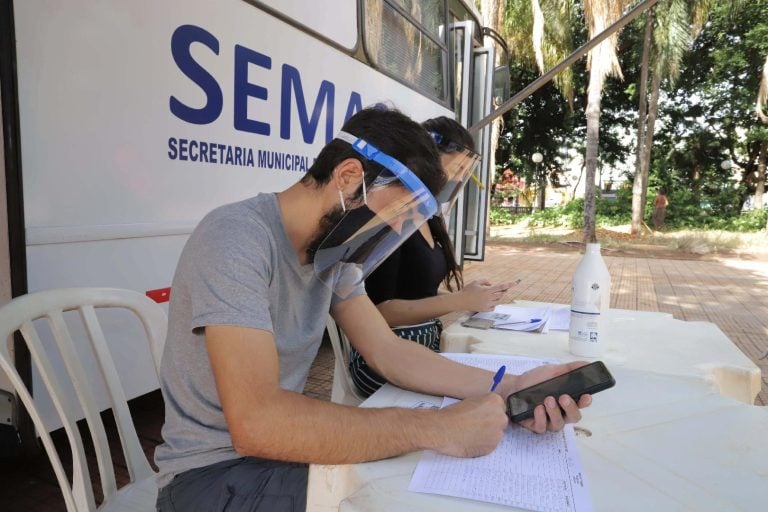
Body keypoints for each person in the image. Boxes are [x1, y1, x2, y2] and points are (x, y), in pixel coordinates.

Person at [154, 106, 592, 512]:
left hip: (275, 459)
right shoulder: (236, 238)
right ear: (348, 176)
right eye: (401, 209)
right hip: (210, 476)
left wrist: (509, 387)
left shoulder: (332, 257)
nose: (402, 227)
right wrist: (436, 427)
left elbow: (389, 352)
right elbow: (258, 422)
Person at [349, 116, 512, 397]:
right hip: (382, 356)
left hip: (424, 345)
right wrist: (458, 301)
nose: (460, 177)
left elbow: (416, 290)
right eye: (457, 167)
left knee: (500, 377)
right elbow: (378, 312)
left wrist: (470, 296)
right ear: (427, 160)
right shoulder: (393, 218)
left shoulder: (429, 217)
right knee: (486, 393)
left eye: (466, 169)